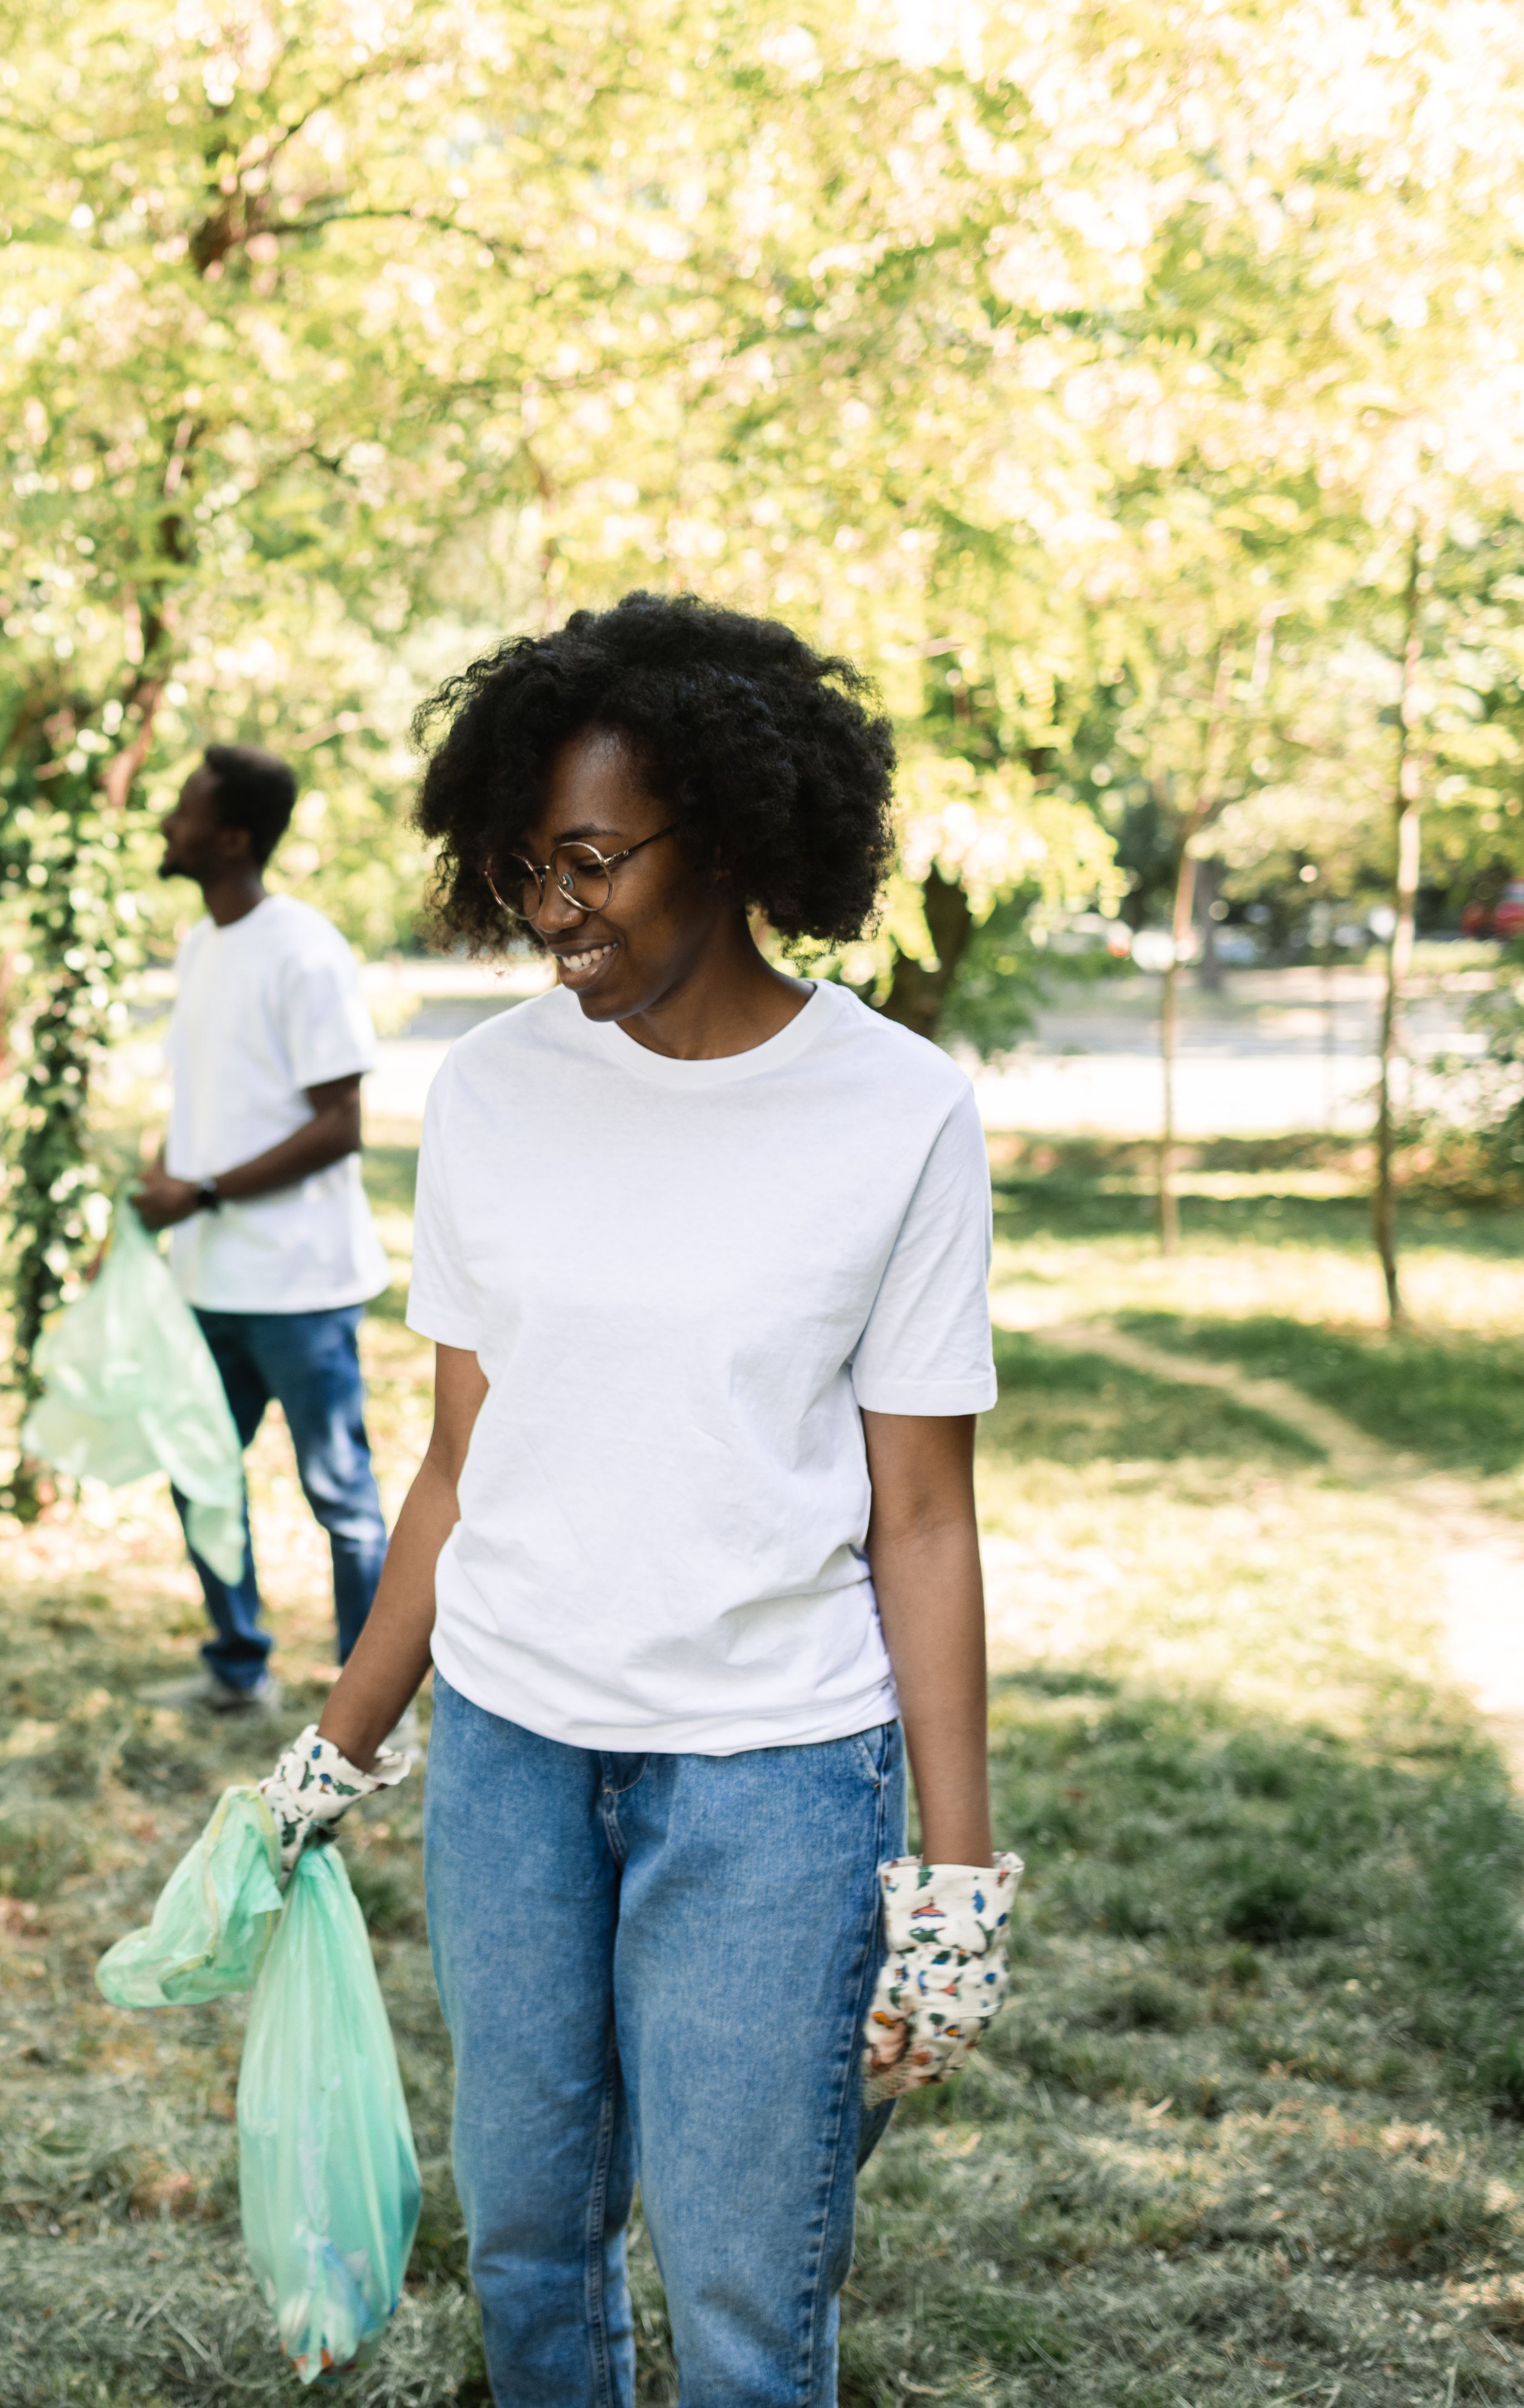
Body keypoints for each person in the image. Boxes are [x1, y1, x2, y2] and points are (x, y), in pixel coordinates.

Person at [259, 594, 1024, 2408]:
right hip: (511, 1756)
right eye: (524, 862)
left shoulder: (894, 1112)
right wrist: (332, 1751)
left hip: (768, 1779)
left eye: (589, 860)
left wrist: (953, 1873)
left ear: (735, 831)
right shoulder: (494, 1091)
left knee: (748, 2299)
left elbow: (919, 1517)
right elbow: (455, 1462)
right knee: (526, 2257)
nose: (547, 911)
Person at [130, 744, 392, 1718]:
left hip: (299, 1285)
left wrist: (197, 1192)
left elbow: (339, 1125)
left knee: (339, 1496)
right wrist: (169, 1170)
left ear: (231, 836)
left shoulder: (303, 948)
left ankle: (367, 1702)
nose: (167, 824)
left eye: (183, 810)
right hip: (209, 1281)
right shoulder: (202, 943)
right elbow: (213, 1095)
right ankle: (238, 1669)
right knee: (198, 1470)